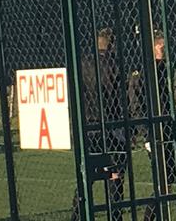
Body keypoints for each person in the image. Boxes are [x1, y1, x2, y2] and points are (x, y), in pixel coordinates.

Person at [73, 29, 127, 221]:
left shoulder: (83, 64)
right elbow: (121, 95)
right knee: (116, 173)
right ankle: (115, 214)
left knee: (88, 172)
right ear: (112, 45)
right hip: (111, 123)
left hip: (89, 125)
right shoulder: (115, 65)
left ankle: (77, 213)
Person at [143, 32, 176, 221]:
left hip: (171, 124)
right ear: (154, 48)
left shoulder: (164, 68)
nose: (164, 49)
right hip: (157, 129)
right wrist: (145, 132)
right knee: (166, 179)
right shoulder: (148, 71)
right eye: (161, 47)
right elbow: (140, 102)